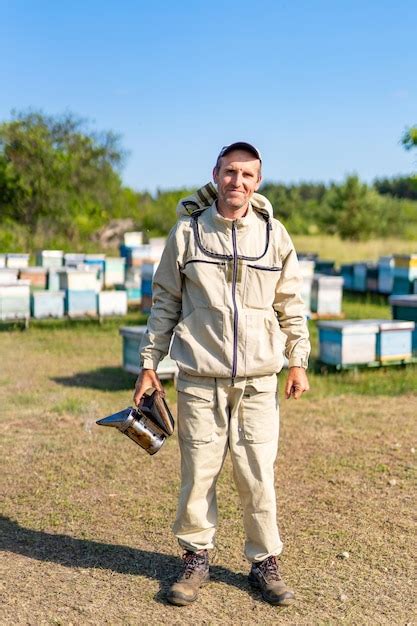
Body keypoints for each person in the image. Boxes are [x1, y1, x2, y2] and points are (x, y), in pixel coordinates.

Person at [133, 142, 310, 607]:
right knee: (199, 473)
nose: (238, 182)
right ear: (215, 174)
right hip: (199, 377)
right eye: (230, 172)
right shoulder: (188, 233)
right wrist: (149, 364)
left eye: (247, 175)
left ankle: (264, 563)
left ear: (259, 181)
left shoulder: (275, 235)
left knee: (257, 475)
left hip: (257, 380)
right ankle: (195, 559)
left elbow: (290, 303)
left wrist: (298, 360)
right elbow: (165, 301)